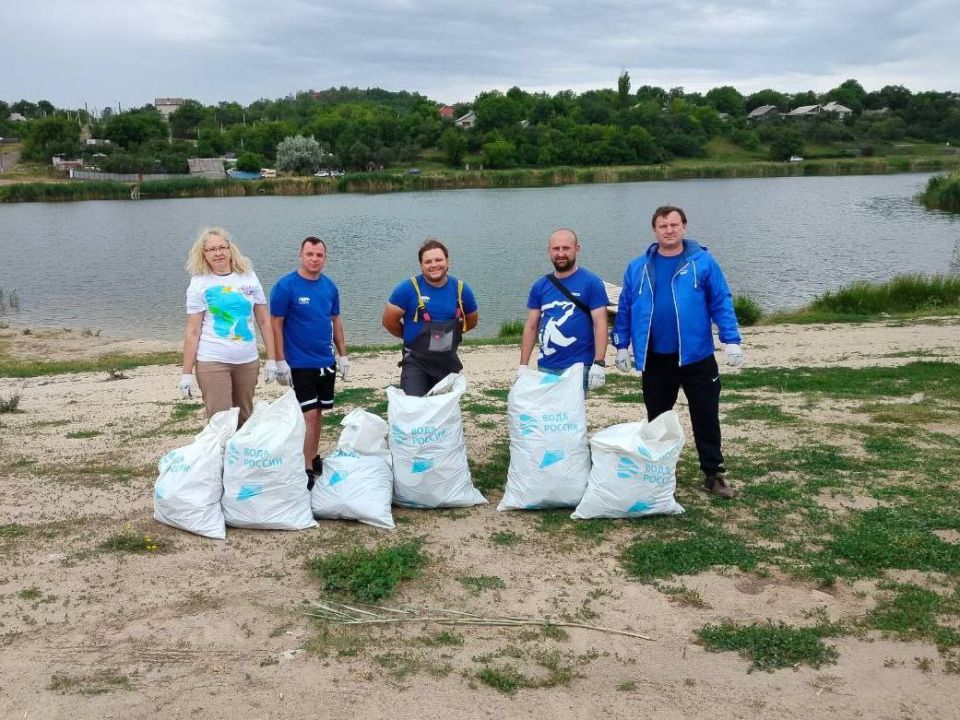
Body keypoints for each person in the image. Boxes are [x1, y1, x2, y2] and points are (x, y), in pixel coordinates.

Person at [613, 206, 743, 498]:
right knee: (658, 419)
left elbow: (720, 300)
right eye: (662, 225)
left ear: (684, 227)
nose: (669, 230)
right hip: (656, 359)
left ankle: (713, 473)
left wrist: (731, 338)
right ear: (654, 231)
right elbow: (625, 308)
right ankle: (660, 473)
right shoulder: (638, 267)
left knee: (706, 415)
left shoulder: (703, 262)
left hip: (696, 357)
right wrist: (621, 344)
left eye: (674, 224)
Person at [269, 237, 349, 485]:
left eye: (319, 255)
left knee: (320, 412)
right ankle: (304, 467)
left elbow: (335, 321)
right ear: (301, 255)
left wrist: (343, 354)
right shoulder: (286, 286)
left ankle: (313, 455)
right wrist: (278, 360)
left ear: (325, 258)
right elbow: (275, 324)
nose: (314, 259)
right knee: (308, 415)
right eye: (310, 254)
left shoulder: (329, 287)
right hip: (299, 362)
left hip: (325, 360)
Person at [180, 227, 279, 425]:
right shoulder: (199, 283)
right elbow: (193, 331)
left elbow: (264, 321)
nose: (218, 253)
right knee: (221, 423)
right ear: (203, 254)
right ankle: (220, 456)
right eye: (211, 249)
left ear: (230, 249)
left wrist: (272, 360)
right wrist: (186, 374)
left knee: (245, 418)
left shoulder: (249, 276)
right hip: (212, 361)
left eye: (222, 247)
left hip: (247, 361)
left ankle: (240, 456)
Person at [381, 238, 479, 396]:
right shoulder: (406, 289)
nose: (434, 265)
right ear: (421, 265)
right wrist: (409, 335)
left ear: (447, 261)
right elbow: (388, 321)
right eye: (428, 261)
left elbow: (472, 320)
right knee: (415, 408)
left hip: (447, 362)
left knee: (444, 413)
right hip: (415, 363)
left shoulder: (461, 289)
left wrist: (451, 333)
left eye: (439, 260)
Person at [519, 228, 609, 393]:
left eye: (566, 248)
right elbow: (531, 326)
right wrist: (523, 365)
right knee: (550, 415)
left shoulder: (592, 283)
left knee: (572, 416)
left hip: (578, 367)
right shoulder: (540, 286)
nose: (560, 253)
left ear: (577, 249)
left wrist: (599, 362)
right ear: (549, 251)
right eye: (556, 248)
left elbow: (600, 323)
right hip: (546, 365)